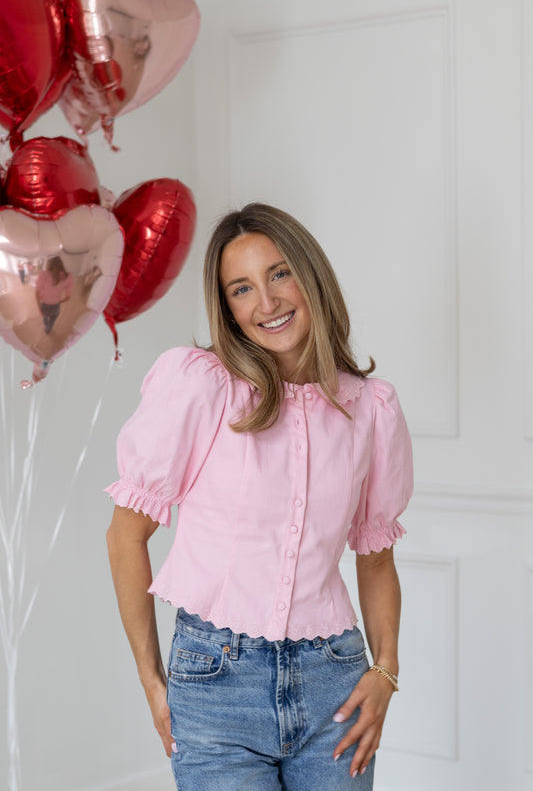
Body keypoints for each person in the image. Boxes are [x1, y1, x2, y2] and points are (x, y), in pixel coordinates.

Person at [105, 203, 413, 790]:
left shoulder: (370, 409)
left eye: (278, 274)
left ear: (309, 275)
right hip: (216, 684)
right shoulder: (201, 387)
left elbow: (375, 559)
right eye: (241, 288)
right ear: (228, 309)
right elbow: (126, 535)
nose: (266, 303)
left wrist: (386, 671)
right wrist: (151, 679)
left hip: (336, 687)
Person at [35, 256, 73, 334]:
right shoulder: (68, 276)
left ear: (49, 264)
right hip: (56, 307)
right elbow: (68, 297)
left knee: (44, 317)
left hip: (45, 305)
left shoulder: (43, 274)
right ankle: (47, 329)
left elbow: (37, 293)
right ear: (61, 264)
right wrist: (59, 301)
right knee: (52, 320)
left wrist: (39, 309)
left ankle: (46, 326)